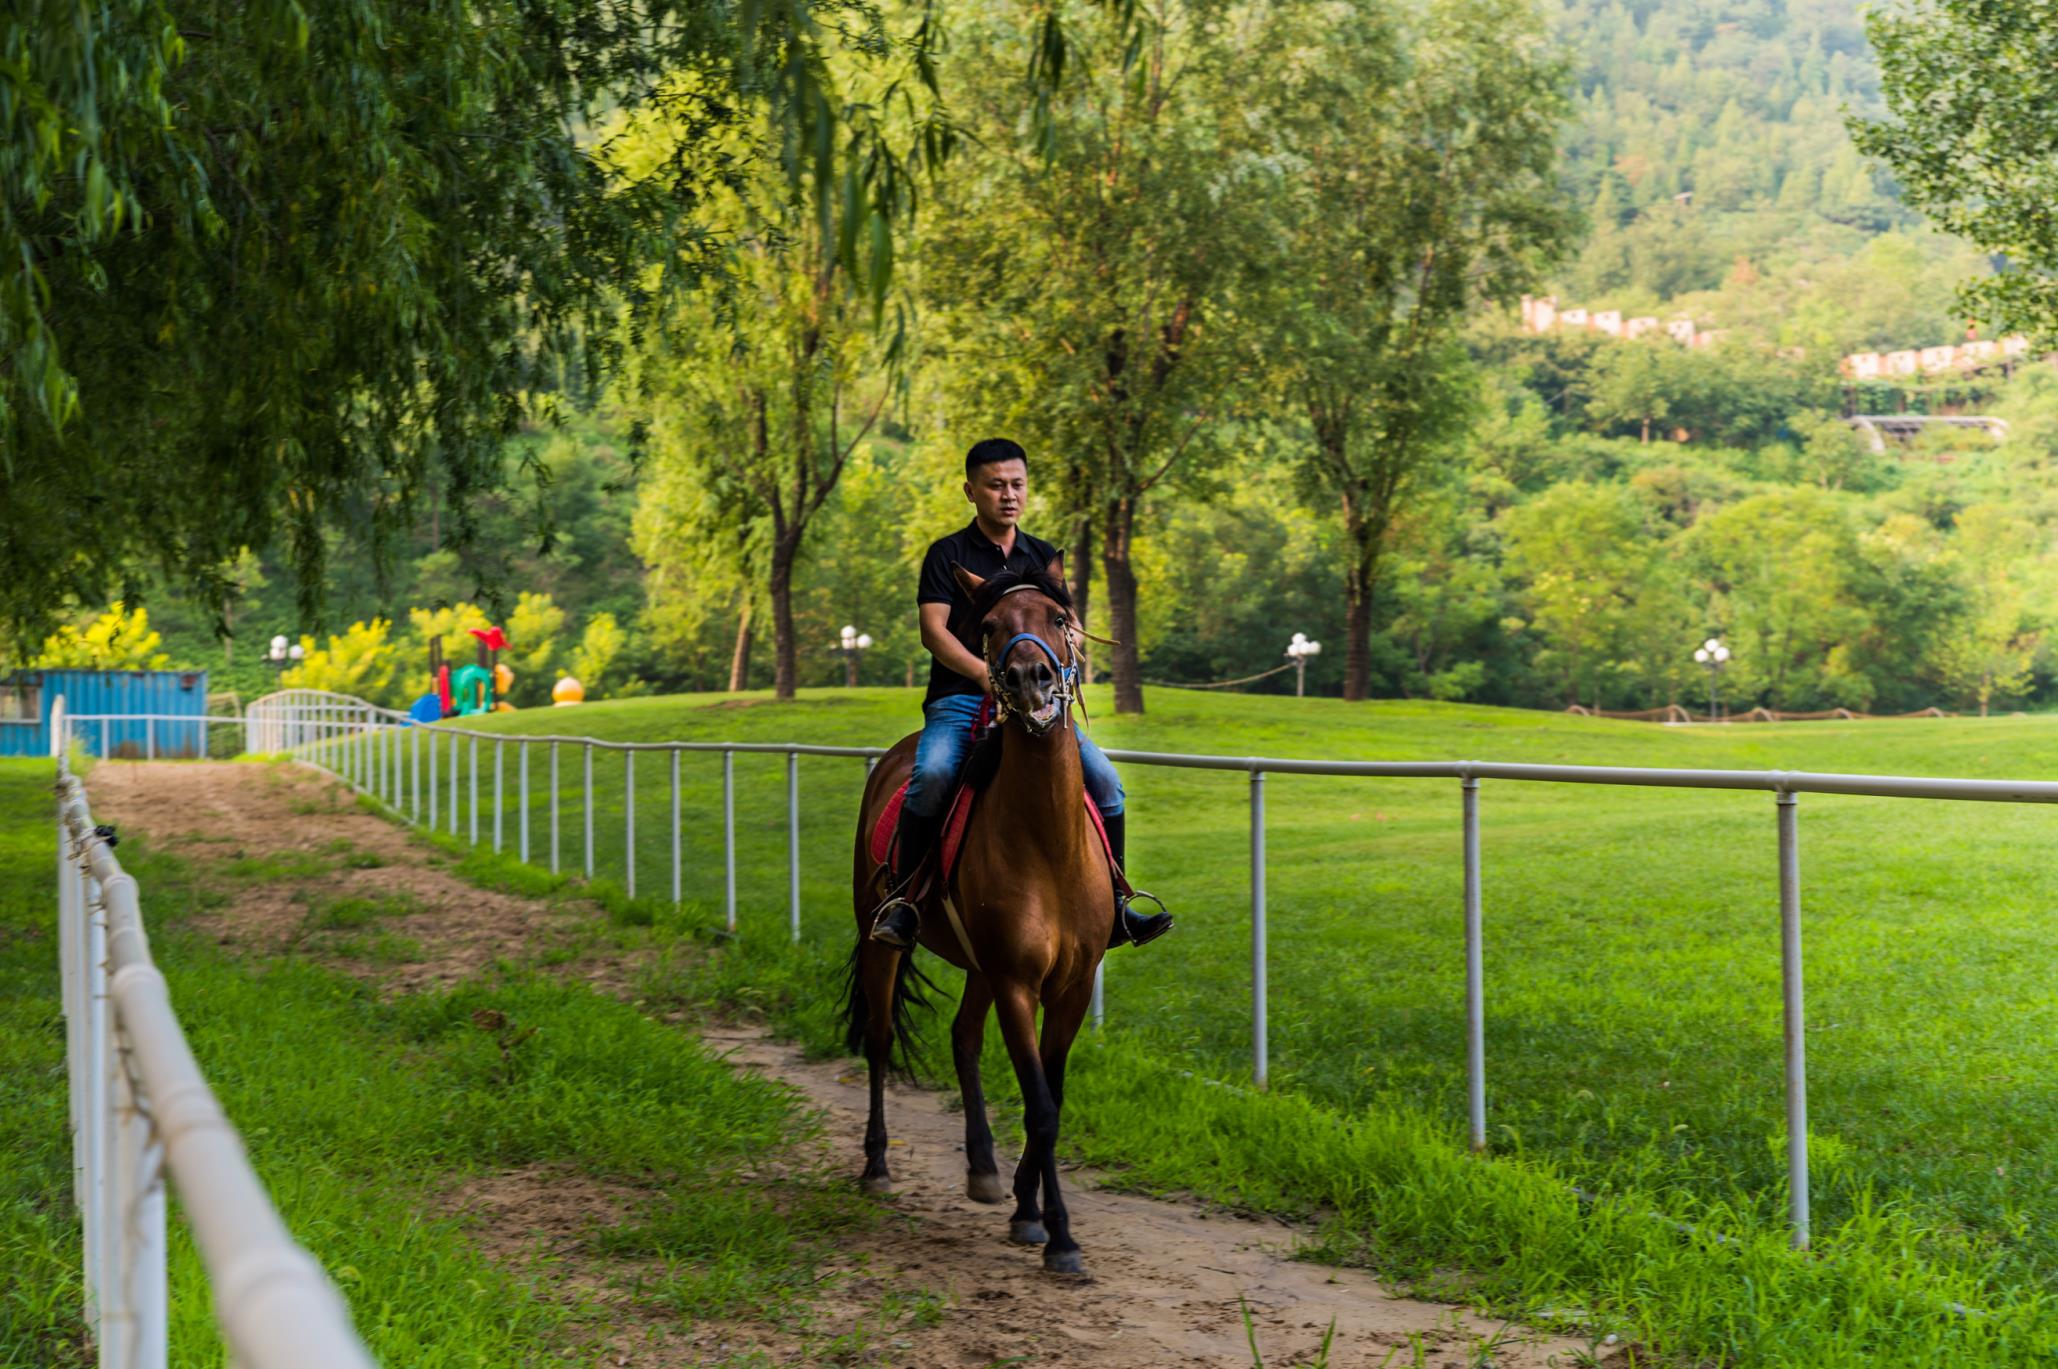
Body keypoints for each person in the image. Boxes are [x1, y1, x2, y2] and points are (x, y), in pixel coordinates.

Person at [870, 437, 1174, 950]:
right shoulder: (948, 555)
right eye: (995, 485)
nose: (1008, 495)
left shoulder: (1041, 555)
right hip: (961, 700)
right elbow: (934, 631)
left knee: (1108, 782)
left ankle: (1119, 905)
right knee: (935, 774)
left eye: (1017, 484)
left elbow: (1069, 626)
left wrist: (1066, 653)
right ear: (971, 491)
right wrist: (983, 676)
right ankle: (905, 902)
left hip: (1039, 704)